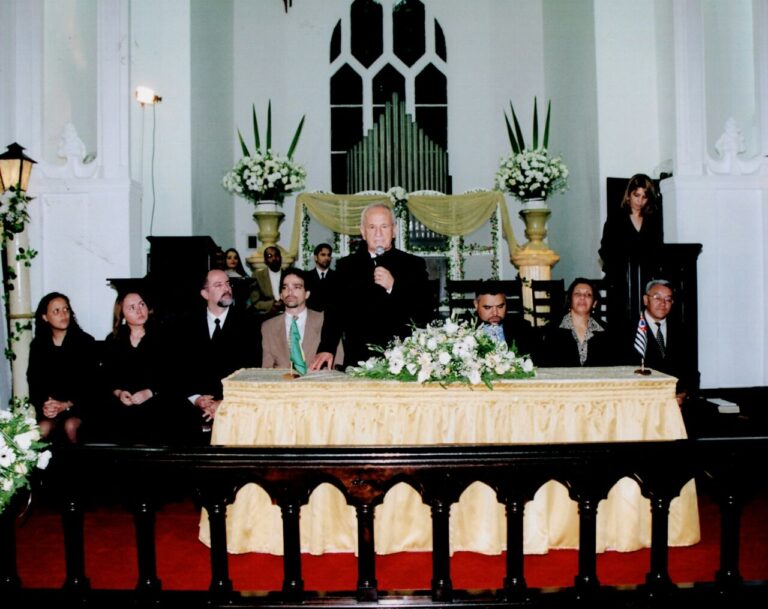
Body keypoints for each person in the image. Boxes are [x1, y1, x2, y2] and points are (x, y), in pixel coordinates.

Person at [310, 202, 432, 370]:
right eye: (372, 227)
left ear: (394, 230)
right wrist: (327, 348)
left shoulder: (413, 265)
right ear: (363, 232)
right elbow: (334, 313)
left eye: (384, 226)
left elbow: (424, 313)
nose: (378, 233)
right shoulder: (347, 266)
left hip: (402, 360)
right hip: (359, 359)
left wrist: (393, 287)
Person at [173, 269, 261, 432]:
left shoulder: (248, 324)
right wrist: (197, 399)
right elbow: (179, 368)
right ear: (205, 294)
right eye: (218, 285)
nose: (226, 288)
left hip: (236, 408)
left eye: (228, 284)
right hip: (194, 410)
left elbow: (252, 369)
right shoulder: (185, 326)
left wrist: (223, 402)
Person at [98, 290, 192, 444]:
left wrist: (149, 393)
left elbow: (174, 374)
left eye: (142, 304)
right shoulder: (114, 339)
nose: (139, 310)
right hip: (125, 401)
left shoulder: (164, 335)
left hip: (158, 397)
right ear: (121, 314)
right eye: (132, 307)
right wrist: (119, 393)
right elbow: (108, 377)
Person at [27, 292, 99, 444]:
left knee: (70, 426)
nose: (63, 314)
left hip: (80, 407)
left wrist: (66, 404)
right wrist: (45, 405)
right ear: (45, 317)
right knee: (41, 429)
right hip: (52, 409)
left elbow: (91, 383)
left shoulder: (85, 342)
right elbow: (34, 380)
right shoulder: (38, 345)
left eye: (66, 309)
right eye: (56, 311)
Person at [598, 173, 663, 329]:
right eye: (636, 195)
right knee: (622, 328)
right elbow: (605, 250)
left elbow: (657, 250)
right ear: (628, 194)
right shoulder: (616, 219)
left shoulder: (653, 221)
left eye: (644, 197)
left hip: (646, 282)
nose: (640, 201)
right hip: (621, 284)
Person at [628, 279, 698, 405]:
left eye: (668, 299)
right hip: (640, 403)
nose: (663, 303)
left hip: (677, 404)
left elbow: (691, 372)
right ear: (645, 299)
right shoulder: (627, 330)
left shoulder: (682, 331)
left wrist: (683, 395)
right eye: (657, 297)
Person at [261, 267, 340, 371]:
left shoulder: (326, 321)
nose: (290, 292)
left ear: (307, 294)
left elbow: (337, 363)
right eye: (285, 287)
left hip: (318, 384)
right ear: (281, 294)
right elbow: (266, 369)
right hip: (282, 384)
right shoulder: (268, 327)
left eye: (296, 287)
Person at [537, 278, 614, 367]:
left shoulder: (607, 332)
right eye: (577, 294)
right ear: (569, 300)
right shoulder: (551, 331)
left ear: (594, 303)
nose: (582, 297)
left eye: (588, 294)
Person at [473, 279, 537, 356]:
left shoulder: (522, 327)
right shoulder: (465, 330)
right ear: (476, 305)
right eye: (488, 307)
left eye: (500, 306)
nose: (495, 313)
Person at [248, 246, 284, 319]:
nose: (274, 258)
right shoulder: (258, 275)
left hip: (286, 312)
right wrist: (273, 304)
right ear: (265, 260)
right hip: (266, 314)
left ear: (281, 258)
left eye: (276, 255)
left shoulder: (288, 274)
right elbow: (255, 302)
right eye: (269, 256)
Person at [304, 242, 336, 312]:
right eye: (323, 255)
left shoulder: (338, 277)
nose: (327, 258)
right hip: (312, 318)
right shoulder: (306, 277)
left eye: (329, 255)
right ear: (315, 257)